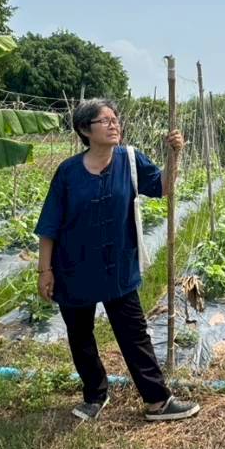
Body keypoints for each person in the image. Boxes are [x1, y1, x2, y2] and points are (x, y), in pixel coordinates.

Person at [35, 98, 200, 423]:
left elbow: (164, 187)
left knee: (134, 333)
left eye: (115, 120)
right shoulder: (68, 172)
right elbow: (50, 224)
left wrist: (174, 154)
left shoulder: (130, 159)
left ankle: (157, 400)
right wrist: (45, 270)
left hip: (117, 267)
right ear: (85, 129)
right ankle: (95, 395)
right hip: (73, 266)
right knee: (80, 335)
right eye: (104, 121)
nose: (114, 125)